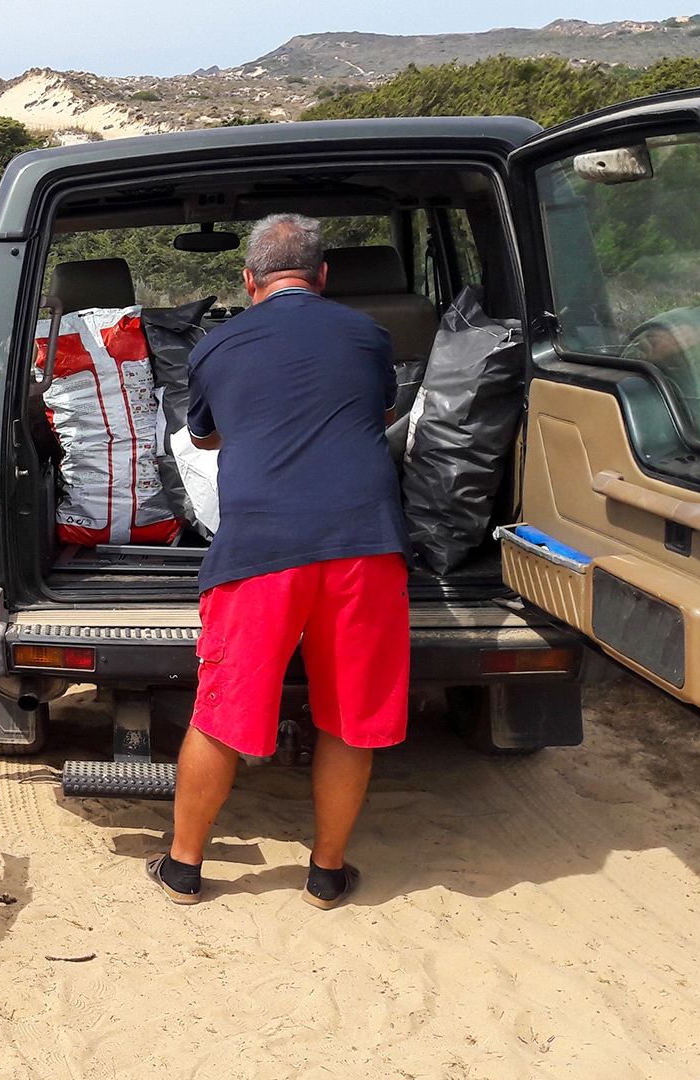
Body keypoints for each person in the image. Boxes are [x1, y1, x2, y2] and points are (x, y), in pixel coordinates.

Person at [148, 213, 411, 911]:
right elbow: (376, 413)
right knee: (350, 716)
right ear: (323, 277)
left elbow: (203, 438)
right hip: (364, 542)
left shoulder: (216, 346)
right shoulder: (368, 335)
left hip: (259, 548)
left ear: (248, 279)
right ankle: (326, 875)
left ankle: (183, 870)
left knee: (220, 712)